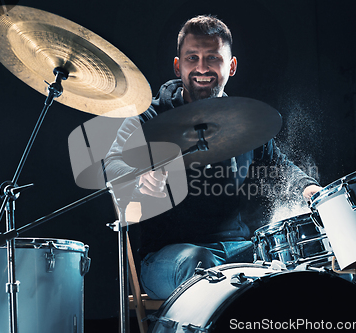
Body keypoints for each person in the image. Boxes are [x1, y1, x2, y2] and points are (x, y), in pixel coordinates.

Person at [104, 14, 322, 300]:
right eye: (192, 58)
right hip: (169, 258)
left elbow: (280, 167)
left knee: (300, 265)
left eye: (213, 58)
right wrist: (138, 178)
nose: (201, 67)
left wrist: (310, 189)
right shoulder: (150, 117)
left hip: (239, 250)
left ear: (231, 66)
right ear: (177, 65)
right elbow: (113, 165)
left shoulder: (246, 121)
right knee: (199, 264)